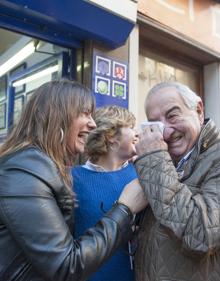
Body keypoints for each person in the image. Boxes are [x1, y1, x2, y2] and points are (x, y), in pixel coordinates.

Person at [0, 79, 147, 281]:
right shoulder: (23, 172)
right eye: (85, 113)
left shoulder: (41, 167)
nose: (93, 123)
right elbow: (66, 265)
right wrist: (124, 209)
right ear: (58, 116)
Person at [134, 81, 220, 281]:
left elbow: (202, 235)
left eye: (172, 115)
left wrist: (154, 160)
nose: (166, 132)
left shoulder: (158, 160)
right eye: (155, 123)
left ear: (198, 110)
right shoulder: (166, 160)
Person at [72, 105, 139, 281]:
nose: (137, 133)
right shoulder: (71, 178)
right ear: (111, 137)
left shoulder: (140, 173)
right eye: (131, 128)